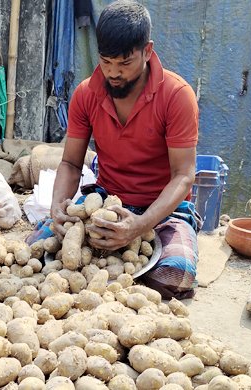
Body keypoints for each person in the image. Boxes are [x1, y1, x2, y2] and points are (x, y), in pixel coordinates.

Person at [50, 1, 201, 299]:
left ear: (147, 51)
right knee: (42, 245)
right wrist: (58, 207)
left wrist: (141, 225)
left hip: (164, 210)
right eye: (106, 62)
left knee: (176, 275)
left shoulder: (176, 95)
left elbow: (183, 176)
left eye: (124, 64)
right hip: (107, 204)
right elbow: (70, 162)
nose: (113, 73)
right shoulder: (85, 94)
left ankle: (182, 239)